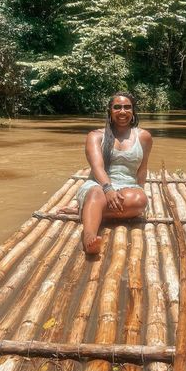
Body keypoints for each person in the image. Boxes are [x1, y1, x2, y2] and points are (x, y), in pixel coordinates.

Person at [60, 92, 152, 254]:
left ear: (133, 111)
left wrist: (141, 190)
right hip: (98, 184)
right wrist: (108, 189)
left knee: (139, 200)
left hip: (127, 188)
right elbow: (97, 167)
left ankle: (88, 210)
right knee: (96, 194)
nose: (122, 111)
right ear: (110, 110)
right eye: (117, 107)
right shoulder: (96, 136)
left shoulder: (144, 137)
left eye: (127, 107)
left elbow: (142, 169)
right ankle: (89, 237)